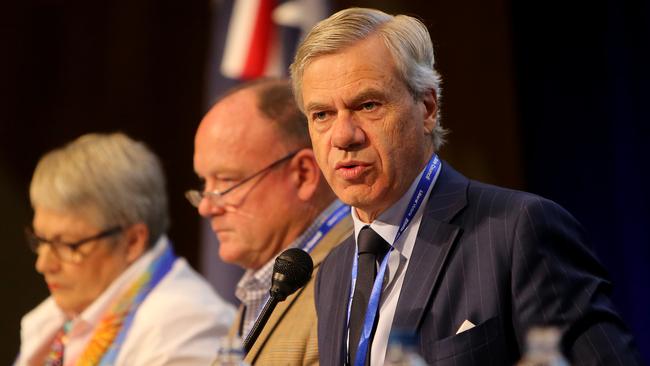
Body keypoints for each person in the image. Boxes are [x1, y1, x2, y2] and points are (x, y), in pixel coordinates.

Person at [290, 7, 643, 366]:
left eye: (367, 105)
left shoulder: (518, 230)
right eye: (322, 114)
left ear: (427, 108)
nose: (343, 136)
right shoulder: (333, 271)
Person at [16, 132, 235, 366]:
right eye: (41, 241)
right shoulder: (64, 313)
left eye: (67, 245)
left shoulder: (188, 327)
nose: (44, 264)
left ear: (132, 242)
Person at [189, 78, 352, 365]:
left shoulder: (351, 276)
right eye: (204, 183)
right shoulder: (267, 281)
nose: (206, 207)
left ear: (302, 174)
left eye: (226, 180)